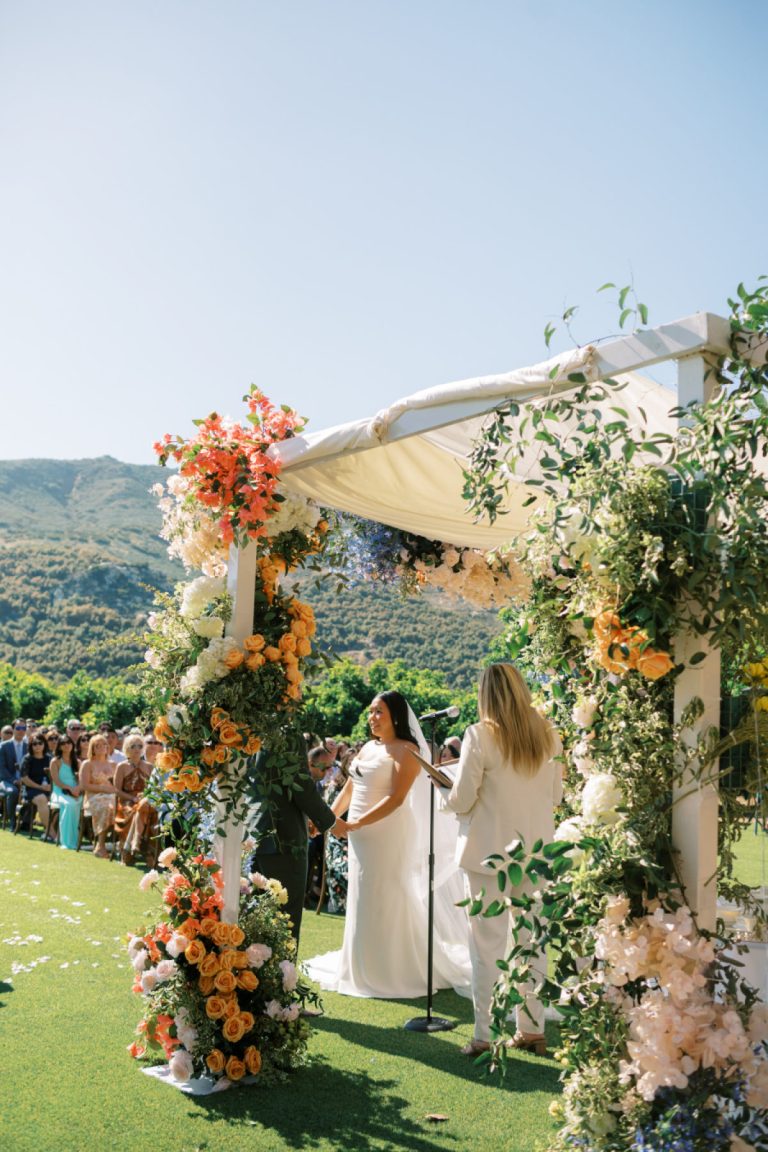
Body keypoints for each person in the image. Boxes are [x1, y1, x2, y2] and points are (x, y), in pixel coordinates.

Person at [304, 691, 471, 999]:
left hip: (387, 833)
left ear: (396, 716)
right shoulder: (368, 747)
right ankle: (362, 962)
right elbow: (352, 788)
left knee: (386, 893)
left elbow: (396, 799)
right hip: (361, 837)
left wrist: (354, 824)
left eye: (378, 712)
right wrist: (328, 819)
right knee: (363, 894)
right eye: (371, 712)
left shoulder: (407, 750)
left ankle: (394, 967)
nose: (372, 718)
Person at [440, 663, 563, 1057]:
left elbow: (462, 799)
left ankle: (484, 1035)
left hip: (489, 856)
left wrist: (446, 796)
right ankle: (532, 1029)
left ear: (486, 694)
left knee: (486, 946)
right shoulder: (549, 734)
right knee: (533, 943)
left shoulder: (479, 735)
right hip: (537, 854)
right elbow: (556, 797)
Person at [246, 721, 345, 947]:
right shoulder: (286, 731)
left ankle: (258, 979)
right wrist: (330, 822)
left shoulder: (253, 726)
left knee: (255, 916)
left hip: (254, 835)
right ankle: (282, 979)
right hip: (283, 837)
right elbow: (300, 785)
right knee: (284, 918)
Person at [113, 734, 154, 866]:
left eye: (140, 746)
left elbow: (154, 788)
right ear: (126, 748)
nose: (137, 749)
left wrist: (144, 796)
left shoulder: (149, 766)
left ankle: (147, 851)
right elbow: (117, 790)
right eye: (133, 746)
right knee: (134, 811)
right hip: (127, 800)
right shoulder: (122, 766)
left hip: (146, 800)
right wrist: (132, 798)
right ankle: (130, 851)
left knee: (151, 812)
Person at [79, 734, 117, 858]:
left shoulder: (113, 764)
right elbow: (84, 785)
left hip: (112, 796)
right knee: (107, 807)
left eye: (104, 745)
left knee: (121, 806)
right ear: (92, 748)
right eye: (97, 746)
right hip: (93, 798)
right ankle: (100, 845)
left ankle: (122, 845)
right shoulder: (87, 764)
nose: (102, 747)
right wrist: (103, 789)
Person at [50, 734, 83, 850]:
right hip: (60, 791)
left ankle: (76, 839)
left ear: (72, 745)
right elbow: (56, 781)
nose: (66, 745)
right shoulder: (55, 761)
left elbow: (81, 780)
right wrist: (69, 788)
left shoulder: (77, 762)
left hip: (76, 792)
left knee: (80, 803)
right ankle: (66, 841)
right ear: (59, 746)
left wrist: (77, 789)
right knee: (69, 805)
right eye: (63, 743)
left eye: (68, 743)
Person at [18, 733, 52, 833]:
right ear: (30, 746)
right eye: (34, 744)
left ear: (44, 744)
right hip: (31, 790)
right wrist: (40, 787)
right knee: (42, 799)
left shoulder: (50, 758)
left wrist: (51, 786)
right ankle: (51, 833)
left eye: (40, 743)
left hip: (48, 789)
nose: (37, 746)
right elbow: (25, 779)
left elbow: (56, 775)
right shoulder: (27, 759)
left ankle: (62, 832)